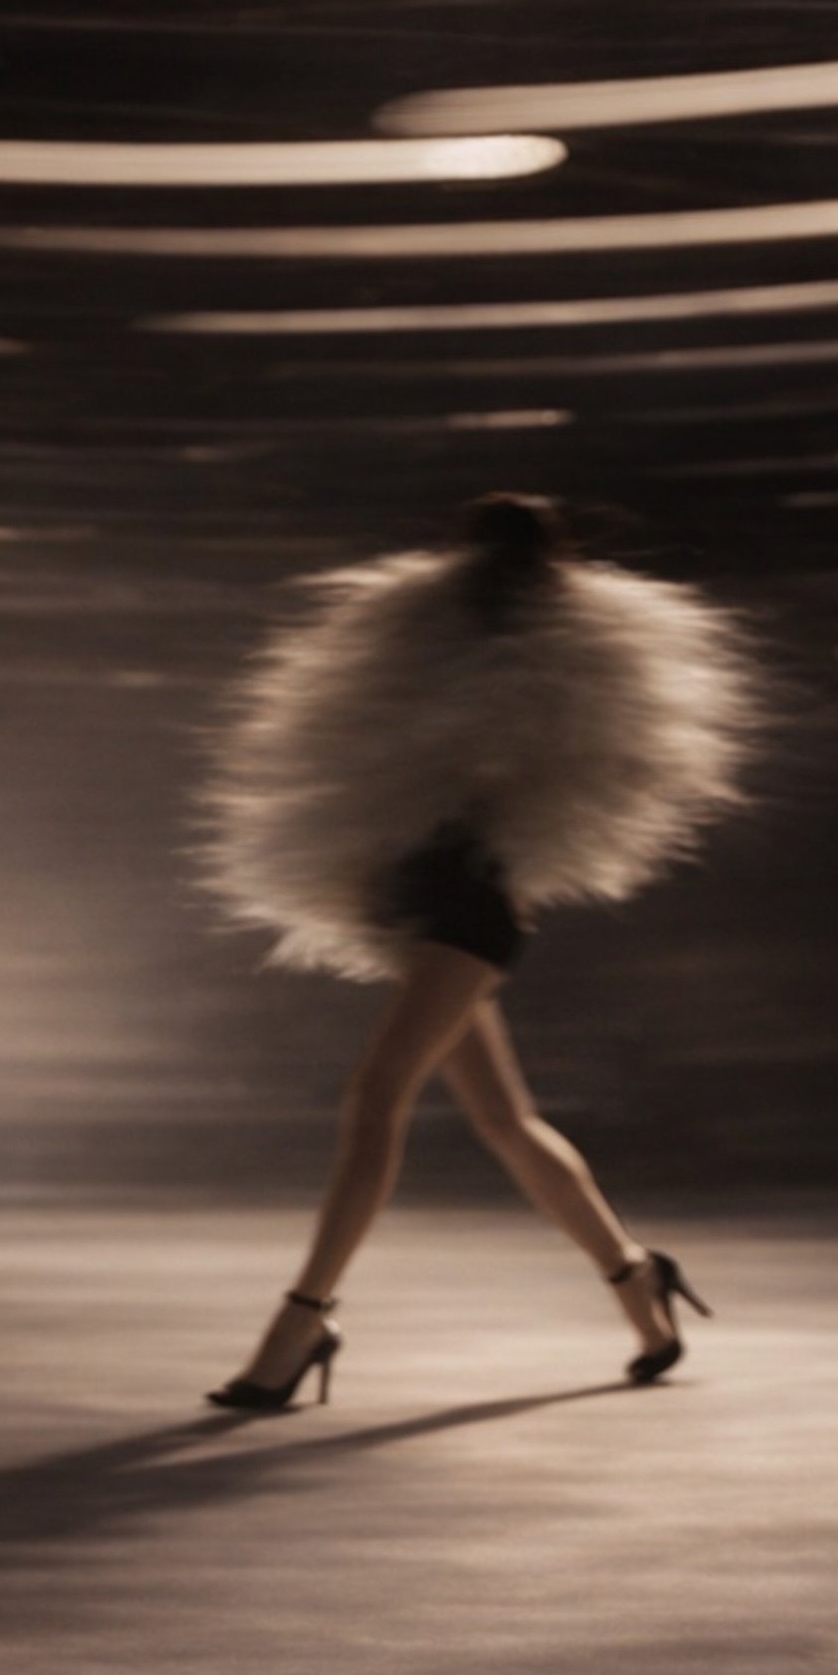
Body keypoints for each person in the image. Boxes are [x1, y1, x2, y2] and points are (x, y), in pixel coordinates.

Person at [190, 492, 757, 1409]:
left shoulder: (564, 667)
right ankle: (639, 1284)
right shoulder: (419, 645)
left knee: (376, 1095)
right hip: (425, 910)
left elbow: (553, 802)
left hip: (469, 913)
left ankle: (301, 1321)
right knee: (506, 1121)